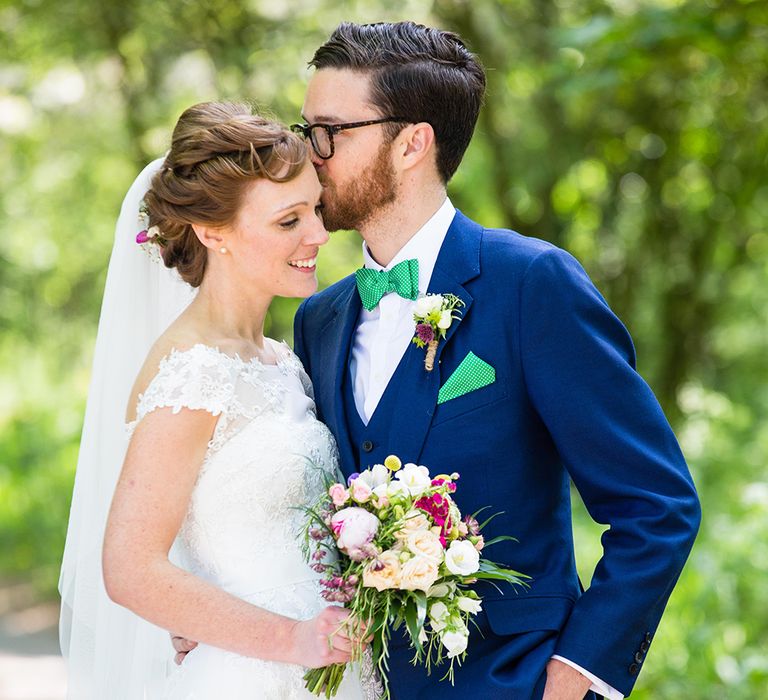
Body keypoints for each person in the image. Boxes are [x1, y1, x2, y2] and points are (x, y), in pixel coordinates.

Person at [287, 21, 701, 700]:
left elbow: (658, 506)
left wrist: (578, 676)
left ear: (412, 142)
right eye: (307, 131)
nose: (310, 157)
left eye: (330, 133)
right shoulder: (319, 319)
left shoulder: (532, 283)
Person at [59, 102, 373, 699]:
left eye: (316, 210)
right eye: (289, 221)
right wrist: (293, 641)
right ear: (212, 232)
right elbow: (130, 569)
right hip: (253, 675)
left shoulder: (282, 360)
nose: (319, 234)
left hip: (336, 667)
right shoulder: (191, 374)